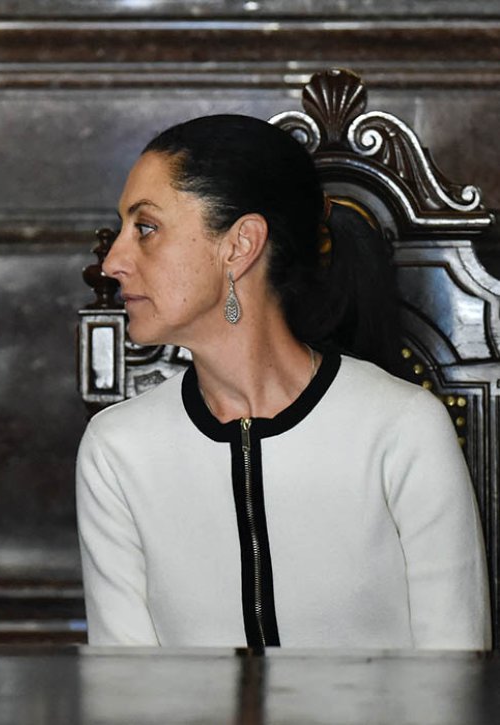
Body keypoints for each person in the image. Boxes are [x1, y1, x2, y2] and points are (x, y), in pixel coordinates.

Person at [76, 114, 490, 649]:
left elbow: (453, 682)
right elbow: (127, 692)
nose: (113, 261)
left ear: (240, 244)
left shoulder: (402, 429)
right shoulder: (117, 450)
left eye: (146, 228)